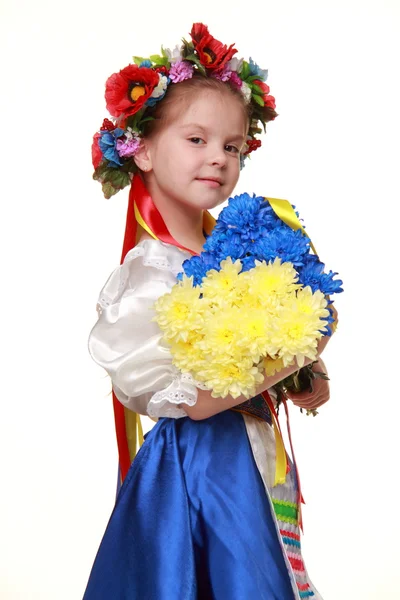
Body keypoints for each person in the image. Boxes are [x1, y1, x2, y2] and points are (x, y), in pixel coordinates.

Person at [84, 23, 336, 599]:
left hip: (243, 463)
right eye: (196, 140)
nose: (219, 159)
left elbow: (251, 356)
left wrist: (303, 372)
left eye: (232, 146)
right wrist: (300, 346)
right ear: (141, 148)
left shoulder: (233, 255)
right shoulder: (151, 273)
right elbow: (195, 403)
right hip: (198, 477)